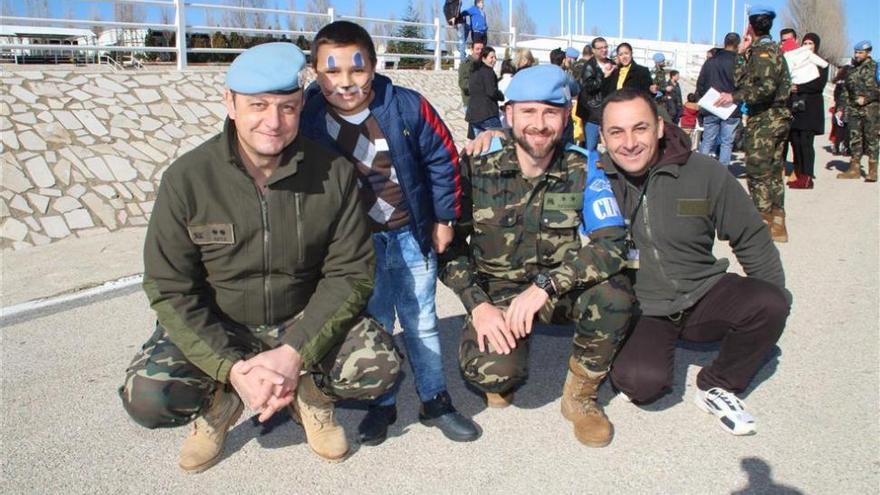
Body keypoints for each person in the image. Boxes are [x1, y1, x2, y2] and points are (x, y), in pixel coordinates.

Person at [118, 43, 402, 473]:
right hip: (222, 321)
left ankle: (311, 397)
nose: (274, 122)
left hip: (299, 318)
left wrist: (294, 353)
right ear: (230, 103)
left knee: (379, 366)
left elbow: (351, 273)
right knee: (148, 397)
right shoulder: (188, 179)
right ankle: (219, 404)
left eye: (288, 107)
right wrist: (231, 368)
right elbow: (169, 285)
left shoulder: (333, 174)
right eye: (258, 105)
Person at [299, 21, 481, 446]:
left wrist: (444, 218)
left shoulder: (407, 106)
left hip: (410, 234)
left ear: (375, 66)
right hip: (358, 247)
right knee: (376, 323)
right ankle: (381, 402)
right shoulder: (309, 118)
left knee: (421, 321)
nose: (346, 83)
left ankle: (435, 399)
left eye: (357, 70)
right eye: (332, 71)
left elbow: (442, 158)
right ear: (314, 73)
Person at [441, 64, 634, 447]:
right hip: (495, 293)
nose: (539, 123)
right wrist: (477, 305)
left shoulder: (584, 168)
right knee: (492, 375)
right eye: (528, 111)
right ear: (508, 114)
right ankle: (509, 350)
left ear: (566, 117)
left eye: (551, 112)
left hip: (555, 291)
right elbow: (449, 249)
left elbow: (612, 244)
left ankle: (580, 397)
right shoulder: (475, 167)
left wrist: (546, 286)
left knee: (615, 295)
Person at [596, 89, 790, 437]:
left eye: (639, 128)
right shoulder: (596, 179)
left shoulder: (703, 172)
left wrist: (771, 311)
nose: (629, 143)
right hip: (646, 305)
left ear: (658, 127)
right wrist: (490, 140)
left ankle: (718, 384)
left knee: (771, 303)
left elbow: (749, 235)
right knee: (641, 384)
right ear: (603, 137)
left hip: (704, 291)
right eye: (616, 132)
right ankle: (635, 352)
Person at [714, 5, 792, 242]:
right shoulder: (774, 50)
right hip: (779, 118)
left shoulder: (763, 52)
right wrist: (742, 53)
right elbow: (744, 79)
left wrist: (734, 97)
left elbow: (763, 89)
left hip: (765, 120)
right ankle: (778, 223)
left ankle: (763, 224)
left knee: (758, 172)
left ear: (751, 25)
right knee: (775, 171)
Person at [786, 33, 828, 189]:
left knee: (805, 143)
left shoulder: (820, 63)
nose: (807, 46)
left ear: (816, 46)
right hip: (796, 107)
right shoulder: (797, 60)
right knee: (795, 142)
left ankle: (807, 176)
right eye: (805, 43)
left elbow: (819, 85)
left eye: (810, 43)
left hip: (811, 109)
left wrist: (799, 87)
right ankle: (798, 172)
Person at [696, 32, 742, 167]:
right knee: (727, 142)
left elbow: (701, 83)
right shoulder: (739, 63)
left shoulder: (710, 62)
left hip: (712, 106)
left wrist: (707, 99)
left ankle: (701, 170)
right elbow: (745, 85)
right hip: (731, 107)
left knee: (707, 140)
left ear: (724, 42)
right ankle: (722, 174)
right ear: (737, 45)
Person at [835, 40, 879, 182]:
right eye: (856, 52)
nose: (857, 55)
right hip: (853, 109)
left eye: (860, 52)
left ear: (868, 53)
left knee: (871, 139)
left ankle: (872, 170)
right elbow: (846, 90)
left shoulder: (875, 68)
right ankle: (854, 168)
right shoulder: (851, 69)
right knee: (854, 138)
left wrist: (867, 99)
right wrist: (841, 108)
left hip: (870, 109)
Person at [575, 39, 608, 151]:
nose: (604, 50)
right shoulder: (589, 66)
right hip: (592, 113)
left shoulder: (611, 64)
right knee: (591, 147)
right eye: (600, 48)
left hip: (608, 112)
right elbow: (589, 87)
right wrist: (604, 75)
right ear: (593, 50)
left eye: (605, 47)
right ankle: (591, 167)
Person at [466, 46, 504, 136]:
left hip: (473, 115)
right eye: (491, 57)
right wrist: (501, 95)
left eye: (495, 57)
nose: (494, 60)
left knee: (480, 146)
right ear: (483, 58)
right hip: (487, 114)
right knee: (498, 144)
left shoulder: (474, 71)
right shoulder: (488, 72)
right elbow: (491, 91)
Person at [444, 0, 468, 64]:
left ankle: (463, 59)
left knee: (460, 41)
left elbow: (458, 5)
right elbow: (446, 9)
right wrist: (451, 18)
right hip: (456, 22)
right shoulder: (447, 3)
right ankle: (465, 57)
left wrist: (453, 17)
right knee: (459, 43)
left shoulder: (449, 3)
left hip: (458, 22)